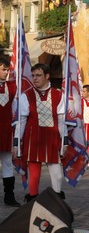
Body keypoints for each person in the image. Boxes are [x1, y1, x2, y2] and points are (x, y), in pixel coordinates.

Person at [14, 63, 67, 202]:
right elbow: (22, 121)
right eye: (33, 75)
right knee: (34, 174)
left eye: (38, 75)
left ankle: (57, 204)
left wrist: (65, 142)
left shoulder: (59, 95)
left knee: (57, 175)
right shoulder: (26, 95)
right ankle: (32, 203)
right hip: (33, 138)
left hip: (52, 137)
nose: (35, 78)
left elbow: (62, 120)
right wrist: (16, 143)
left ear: (47, 76)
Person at [0, 57, 20, 207]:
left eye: (8, 70)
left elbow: (15, 111)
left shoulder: (12, 87)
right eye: (3, 69)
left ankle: (9, 196)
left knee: (8, 163)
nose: (6, 73)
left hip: (6, 131)